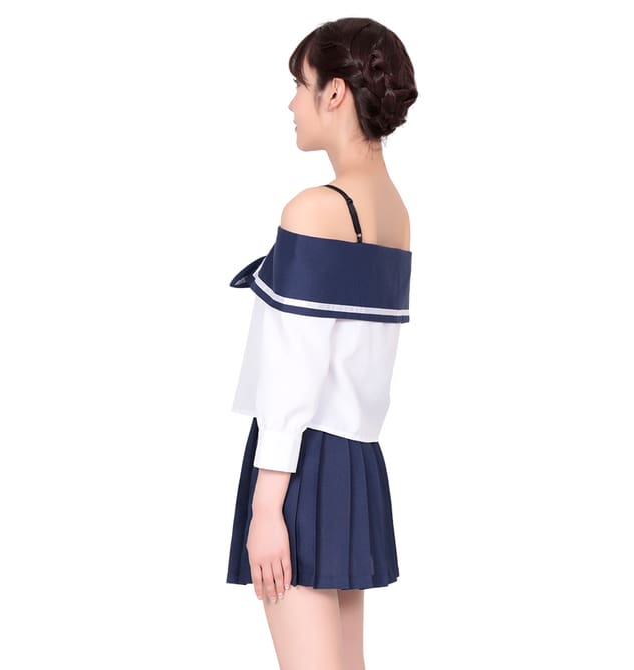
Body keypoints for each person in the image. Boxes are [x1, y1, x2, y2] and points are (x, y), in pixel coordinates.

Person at [225, 17, 418, 670]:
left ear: (334, 93)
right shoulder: (394, 212)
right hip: (355, 462)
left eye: (300, 85)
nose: (291, 104)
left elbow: (292, 374)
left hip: (300, 465)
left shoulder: (314, 210)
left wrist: (266, 507)